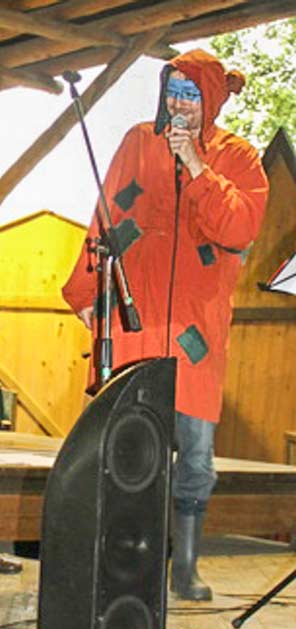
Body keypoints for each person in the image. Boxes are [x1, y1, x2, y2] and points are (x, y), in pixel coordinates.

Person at [62, 49, 268, 601]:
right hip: (136, 317)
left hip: (196, 330)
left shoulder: (238, 157)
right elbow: (108, 216)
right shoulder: (138, 141)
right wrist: (86, 291)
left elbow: (238, 230)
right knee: (125, 443)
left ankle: (186, 566)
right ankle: (123, 561)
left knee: (194, 450)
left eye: (191, 94)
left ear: (212, 99)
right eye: (173, 91)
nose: (179, 104)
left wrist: (198, 166)